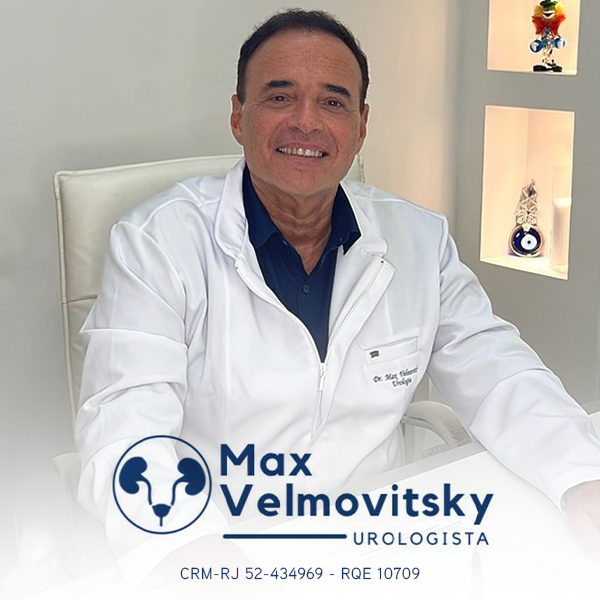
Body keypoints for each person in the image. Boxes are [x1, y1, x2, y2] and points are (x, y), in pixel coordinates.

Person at [75, 9, 600, 586]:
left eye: (332, 101)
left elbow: (497, 371)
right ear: (238, 116)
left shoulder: (418, 239)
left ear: (361, 124)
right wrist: (188, 555)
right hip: (224, 539)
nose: (306, 122)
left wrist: (582, 476)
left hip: (380, 534)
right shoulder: (158, 242)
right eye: (280, 97)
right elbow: (127, 424)